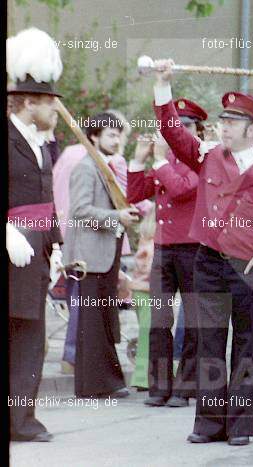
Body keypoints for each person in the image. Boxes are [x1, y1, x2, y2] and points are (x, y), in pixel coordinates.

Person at [151, 58, 253, 446]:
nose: (223, 127)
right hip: (207, 263)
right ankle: (208, 424)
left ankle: (240, 426)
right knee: (208, 341)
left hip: (249, 268)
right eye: (222, 121)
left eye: (232, 122)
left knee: (245, 344)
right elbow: (173, 133)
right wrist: (163, 85)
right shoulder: (205, 156)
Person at [127, 98, 205, 408]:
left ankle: (186, 387)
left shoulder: (202, 156)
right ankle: (159, 386)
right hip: (163, 248)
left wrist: (158, 162)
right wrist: (137, 160)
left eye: (186, 125)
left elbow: (183, 190)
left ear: (197, 129)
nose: (178, 131)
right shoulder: (165, 159)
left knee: (195, 321)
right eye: (174, 125)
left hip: (192, 248)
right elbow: (135, 194)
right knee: (159, 320)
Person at [7, 27, 64, 442]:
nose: (56, 111)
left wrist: (57, 243)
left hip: (36, 252)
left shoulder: (44, 144)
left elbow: (48, 201)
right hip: (12, 247)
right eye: (50, 104)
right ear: (29, 103)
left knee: (30, 337)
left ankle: (21, 420)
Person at [63, 112, 141, 399]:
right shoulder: (86, 168)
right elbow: (80, 211)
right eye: (111, 134)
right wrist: (117, 217)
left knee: (102, 321)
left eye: (119, 134)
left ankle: (103, 383)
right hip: (89, 258)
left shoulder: (101, 166)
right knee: (93, 323)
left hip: (103, 255)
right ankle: (95, 385)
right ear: (94, 136)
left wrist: (122, 217)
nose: (117, 139)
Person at [127, 205, 156, 391]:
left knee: (148, 332)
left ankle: (146, 375)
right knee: (148, 334)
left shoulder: (145, 237)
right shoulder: (152, 242)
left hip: (139, 290)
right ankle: (142, 377)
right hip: (147, 290)